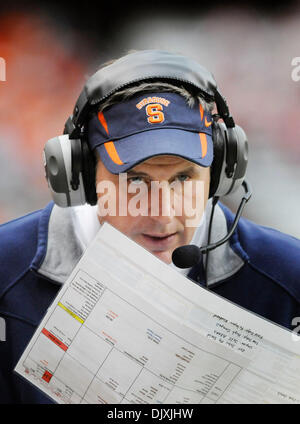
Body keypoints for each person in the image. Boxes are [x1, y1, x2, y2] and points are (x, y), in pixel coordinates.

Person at [0, 49, 300, 404]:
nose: (161, 213)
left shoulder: (290, 278)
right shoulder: (5, 272)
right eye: (135, 180)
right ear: (81, 175)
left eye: (183, 178)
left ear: (221, 173)